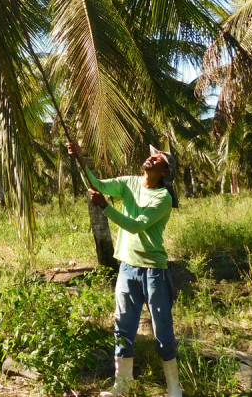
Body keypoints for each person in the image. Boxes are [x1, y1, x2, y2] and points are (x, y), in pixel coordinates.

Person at [68, 141, 182, 397]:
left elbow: (134, 225)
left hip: (154, 271)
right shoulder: (129, 182)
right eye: (151, 156)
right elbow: (98, 184)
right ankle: (122, 385)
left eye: (158, 159)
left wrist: (105, 207)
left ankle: (174, 387)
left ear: (165, 172)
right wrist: (80, 159)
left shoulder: (162, 198)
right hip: (127, 269)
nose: (151, 159)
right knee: (123, 327)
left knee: (162, 330)